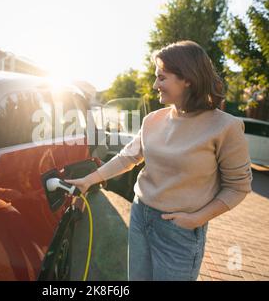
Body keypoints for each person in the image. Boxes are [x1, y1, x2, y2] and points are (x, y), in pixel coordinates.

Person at [65, 40, 253, 281]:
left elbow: (238, 187)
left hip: (179, 230)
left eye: (162, 78)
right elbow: (127, 158)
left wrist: (197, 219)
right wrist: (88, 180)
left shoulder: (226, 126)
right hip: (140, 215)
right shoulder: (153, 119)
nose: (155, 85)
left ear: (187, 79)